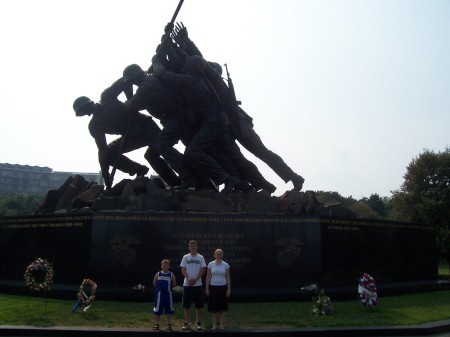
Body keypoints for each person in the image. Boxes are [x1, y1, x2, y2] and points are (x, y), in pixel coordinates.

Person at [73, 77, 180, 189]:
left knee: (155, 152)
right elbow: (103, 151)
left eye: (85, 109)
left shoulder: (107, 97)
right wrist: (106, 175)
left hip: (146, 127)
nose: (86, 112)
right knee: (110, 153)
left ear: (89, 104)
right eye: (83, 112)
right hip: (131, 137)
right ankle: (138, 170)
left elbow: (127, 80)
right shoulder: (95, 126)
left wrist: (130, 100)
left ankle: (180, 179)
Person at [180, 240, 206, 331]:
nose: (192, 248)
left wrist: (195, 279)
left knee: (198, 305)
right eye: (191, 246)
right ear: (189, 247)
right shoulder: (185, 257)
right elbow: (183, 269)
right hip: (187, 284)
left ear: (196, 247)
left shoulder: (201, 257)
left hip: (197, 284)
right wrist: (189, 278)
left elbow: (203, 269)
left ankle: (198, 323)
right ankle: (187, 323)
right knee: (186, 305)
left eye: (194, 246)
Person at [205, 249, 231, 330]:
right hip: (213, 287)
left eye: (220, 254)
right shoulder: (210, 264)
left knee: (222, 307)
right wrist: (207, 288)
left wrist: (228, 289)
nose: (218, 255)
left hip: (223, 287)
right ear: (214, 255)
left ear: (222, 255)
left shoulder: (226, 265)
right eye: (217, 254)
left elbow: (228, 278)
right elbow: (208, 277)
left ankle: (221, 324)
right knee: (214, 307)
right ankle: (214, 324)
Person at [152, 259, 177, 331]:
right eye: (163, 265)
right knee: (157, 309)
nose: (165, 266)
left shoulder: (171, 275)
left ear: (168, 266)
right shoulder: (158, 274)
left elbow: (174, 284)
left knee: (169, 310)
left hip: (168, 295)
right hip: (159, 295)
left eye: (166, 265)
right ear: (161, 266)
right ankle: (157, 324)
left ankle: (169, 324)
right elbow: (154, 283)